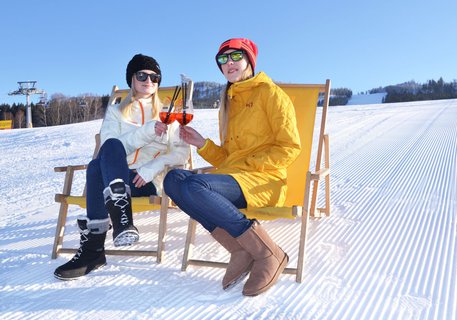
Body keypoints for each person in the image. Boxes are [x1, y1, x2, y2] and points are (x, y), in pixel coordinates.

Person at [163, 38, 301, 296]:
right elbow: (229, 157)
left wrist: (249, 165)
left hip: (264, 180)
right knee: (173, 180)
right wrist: (202, 144)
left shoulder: (271, 94)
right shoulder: (229, 101)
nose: (229, 63)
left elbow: (290, 148)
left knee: (195, 185)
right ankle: (239, 250)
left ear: (250, 60)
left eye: (236, 56)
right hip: (235, 177)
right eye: (223, 60)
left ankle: (268, 252)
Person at [54, 54, 189, 280]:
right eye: (142, 75)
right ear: (131, 79)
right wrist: (145, 132)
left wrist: (152, 168)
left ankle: (94, 249)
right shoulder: (116, 112)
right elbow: (109, 149)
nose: (149, 81)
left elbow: (182, 153)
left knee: (95, 168)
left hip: (146, 182)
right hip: (118, 176)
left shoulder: (169, 114)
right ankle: (121, 218)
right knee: (106, 154)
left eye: (154, 77)